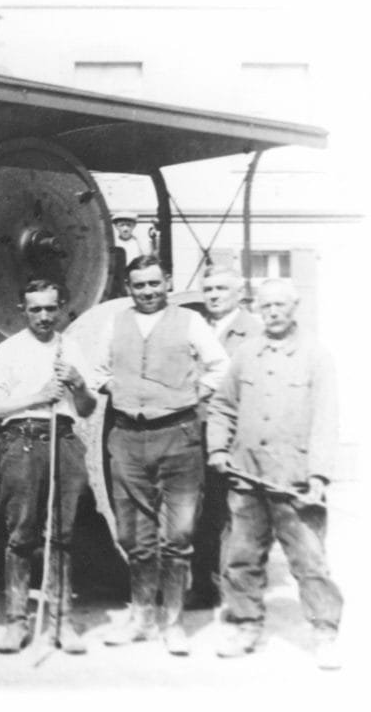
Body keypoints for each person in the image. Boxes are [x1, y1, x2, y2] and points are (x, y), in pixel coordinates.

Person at [207, 279, 343, 670]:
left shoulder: (317, 356)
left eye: (281, 305)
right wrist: (218, 447)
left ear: (295, 306)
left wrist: (318, 475)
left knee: (310, 562)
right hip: (246, 477)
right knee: (241, 558)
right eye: (267, 306)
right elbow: (222, 407)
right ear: (258, 308)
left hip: (295, 482)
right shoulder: (246, 354)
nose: (274, 312)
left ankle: (325, 632)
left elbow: (326, 420)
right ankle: (245, 624)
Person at [95, 255, 228, 656]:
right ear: (128, 288)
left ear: (166, 282)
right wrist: (115, 391)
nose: (148, 292)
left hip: (179, 437)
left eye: (155, 284)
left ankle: (172, 622)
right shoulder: (114, 323)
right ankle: (141, 617)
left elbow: (221, 366)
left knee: (179, 535)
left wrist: (193, 395)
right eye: (140, 286)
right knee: (135, 536)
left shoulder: (190, 322)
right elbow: (96, 371)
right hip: (128, 438)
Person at [0, 279, 97, 655]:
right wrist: (38, 396)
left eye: (50, 308)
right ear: (22, 310)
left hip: (63, 440)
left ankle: (62, 622)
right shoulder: (7, 351)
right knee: (20, 536)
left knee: (62, 536)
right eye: (35, 309)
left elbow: (88, 409)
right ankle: (16, 622)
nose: (44, 316)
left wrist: (78, 385)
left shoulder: (71, 348)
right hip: (22, 443)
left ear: (60, 307)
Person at [189, 264, 264, 608]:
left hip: (236, 437)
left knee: (238, 514)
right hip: (198, 434)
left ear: (239, 293)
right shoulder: (198, 327)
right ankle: (205, 587)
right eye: (209, 289)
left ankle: (238, 592)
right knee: (203, 513)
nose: (214, 295)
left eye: (222, 288)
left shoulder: (254, 331)